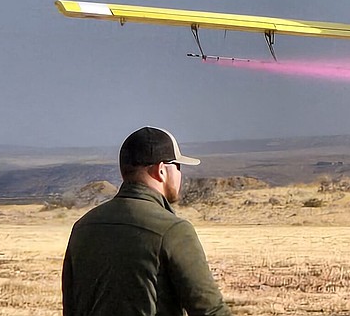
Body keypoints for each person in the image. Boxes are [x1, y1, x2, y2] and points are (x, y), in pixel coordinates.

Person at [62, 126, 232, 316]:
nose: (180, 175)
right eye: (178, 166)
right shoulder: (172, 230)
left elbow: (71, 307)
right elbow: (210, 310)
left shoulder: (83, 227)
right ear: (161, 171)